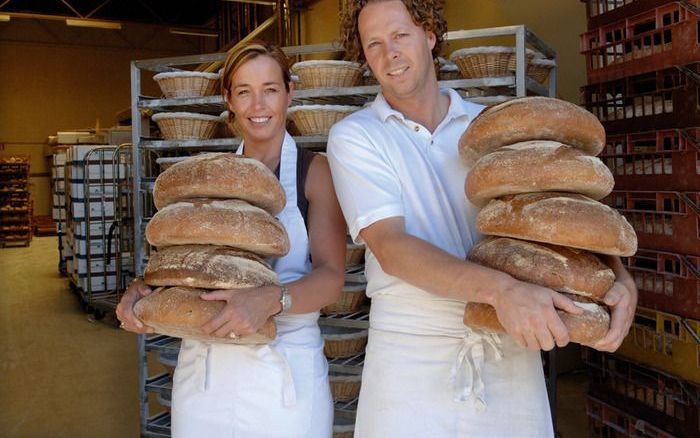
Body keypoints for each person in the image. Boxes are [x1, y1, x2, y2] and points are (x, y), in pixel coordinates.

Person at [327, 1, 638, 436]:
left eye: (400, 36)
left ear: (430, 34)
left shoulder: (489, 128)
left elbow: (558, 210)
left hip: (509, 343)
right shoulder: (357, 135)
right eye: (373, 44)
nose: (389, 54)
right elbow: (392, 248)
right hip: (411, 357)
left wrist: (616, 276)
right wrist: (505, 291)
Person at [117, 41, 346, 438]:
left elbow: (331, 277)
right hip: (205, 375)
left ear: (290, 92)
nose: (259, 105)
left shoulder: (315, 172)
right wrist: (142, 292)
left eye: (270, 89)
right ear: (229, 100)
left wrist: (272, 299)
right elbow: (184, 266)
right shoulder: (208, 178)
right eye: (244, 91)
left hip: (283, 374)